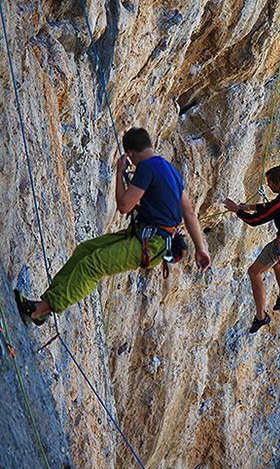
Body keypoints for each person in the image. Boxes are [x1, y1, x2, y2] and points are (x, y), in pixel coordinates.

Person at [15, 128, 211, 325]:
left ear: (130, 154)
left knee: (92, 264)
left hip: (150, 244)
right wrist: (200, 249)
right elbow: (190, 213)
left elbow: (125, 206)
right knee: (85, 251)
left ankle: (36, 312)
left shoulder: (146, 168)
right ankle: (43, 306)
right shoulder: (171, 171)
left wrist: (120, 173)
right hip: (149, 238)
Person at [223, 166, 280, 334]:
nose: (268, 185)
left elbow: (255, 221)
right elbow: (274, 208)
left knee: (254, 272)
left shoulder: (279, 204)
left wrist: (237, 210)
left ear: (277, 184)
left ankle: (261, 316)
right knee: (277, 263)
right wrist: (249, 206)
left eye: (269, 182)